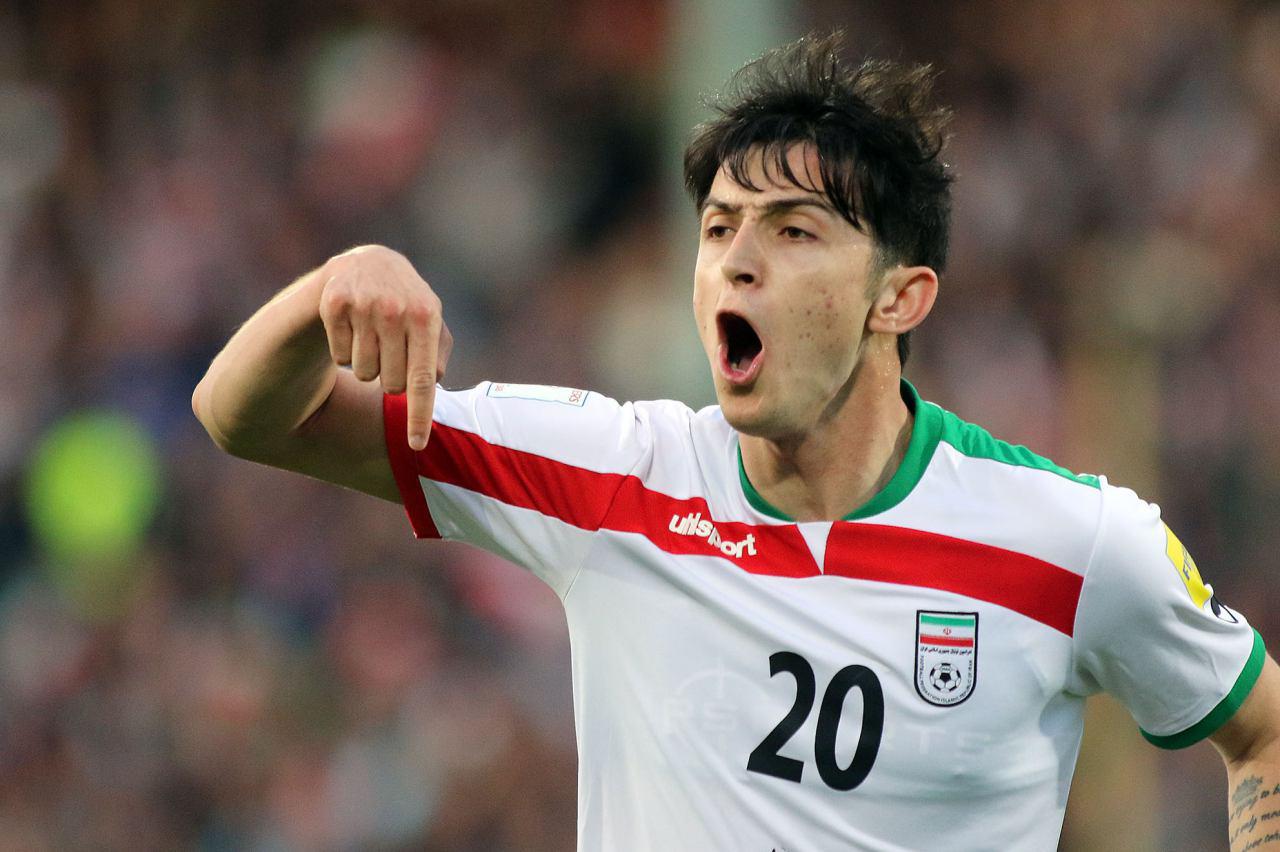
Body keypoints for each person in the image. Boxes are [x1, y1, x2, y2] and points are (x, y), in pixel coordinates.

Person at [194, 33, 1280, 851]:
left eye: (794, 230)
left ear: (898, 298)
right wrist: (328, 290)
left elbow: (1262, 729)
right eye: (718, 230)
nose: (737, 262)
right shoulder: (611, 477)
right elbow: (245, 415)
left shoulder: (1071, 541)